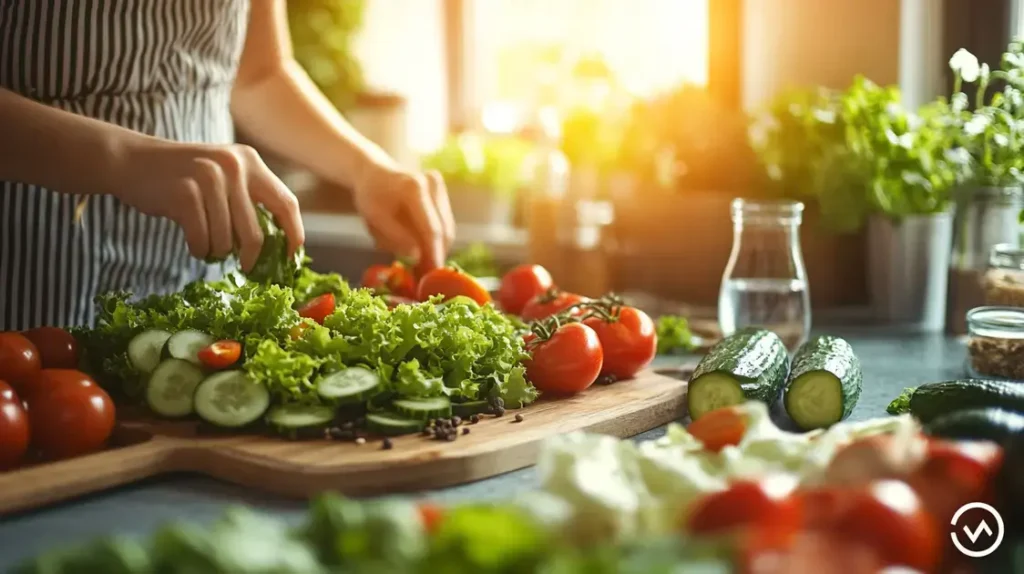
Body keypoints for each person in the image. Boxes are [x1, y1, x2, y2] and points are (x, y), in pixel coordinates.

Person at [0, 0, 455, 331]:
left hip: (201, 283)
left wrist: (365, 167)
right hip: (27, 280)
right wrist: (120, 157)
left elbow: (257, 73)